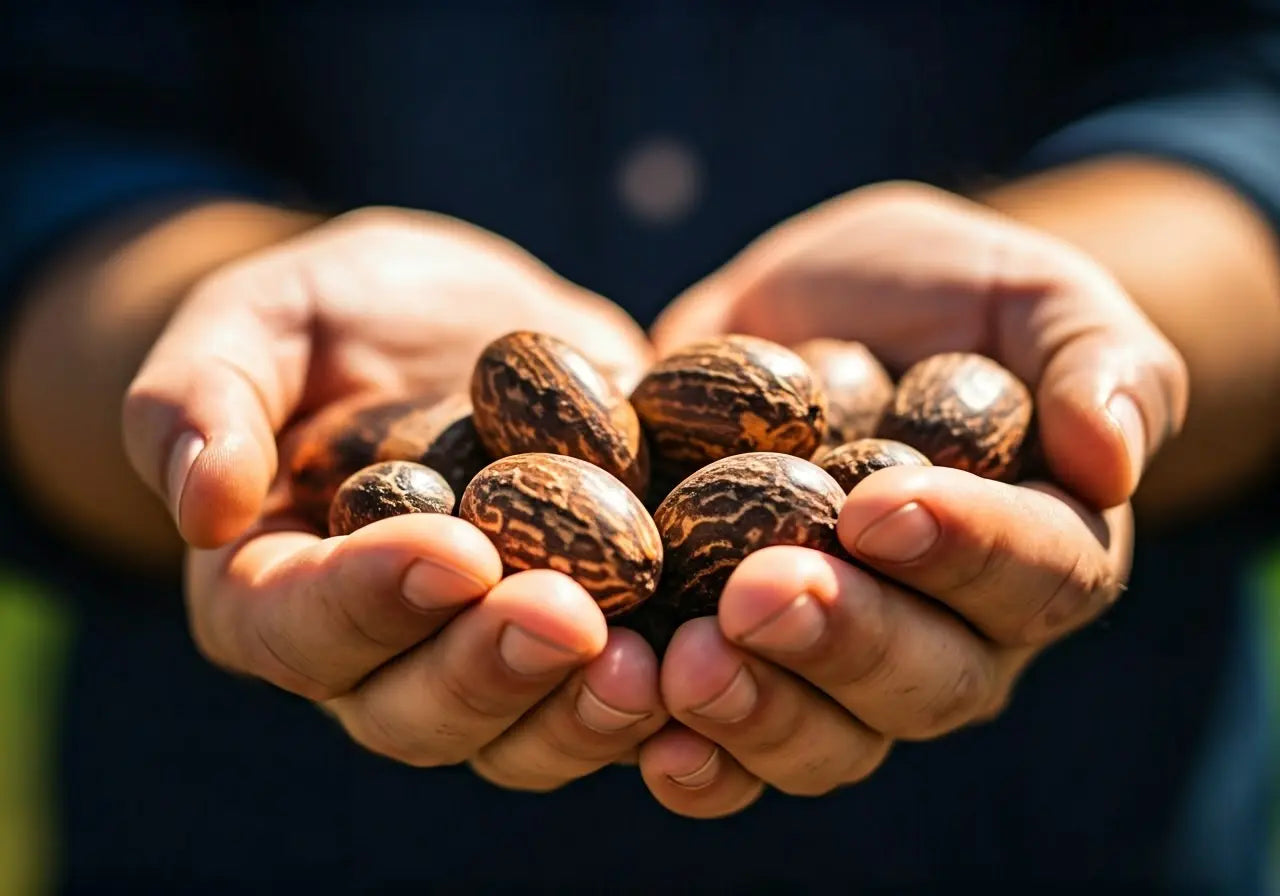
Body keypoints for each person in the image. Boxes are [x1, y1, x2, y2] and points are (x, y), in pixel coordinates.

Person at [2, 2, 1279, 892]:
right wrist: (195, 374)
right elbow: (52, 128)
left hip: (1076, 827)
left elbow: (1239, 85)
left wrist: (1096, 325)